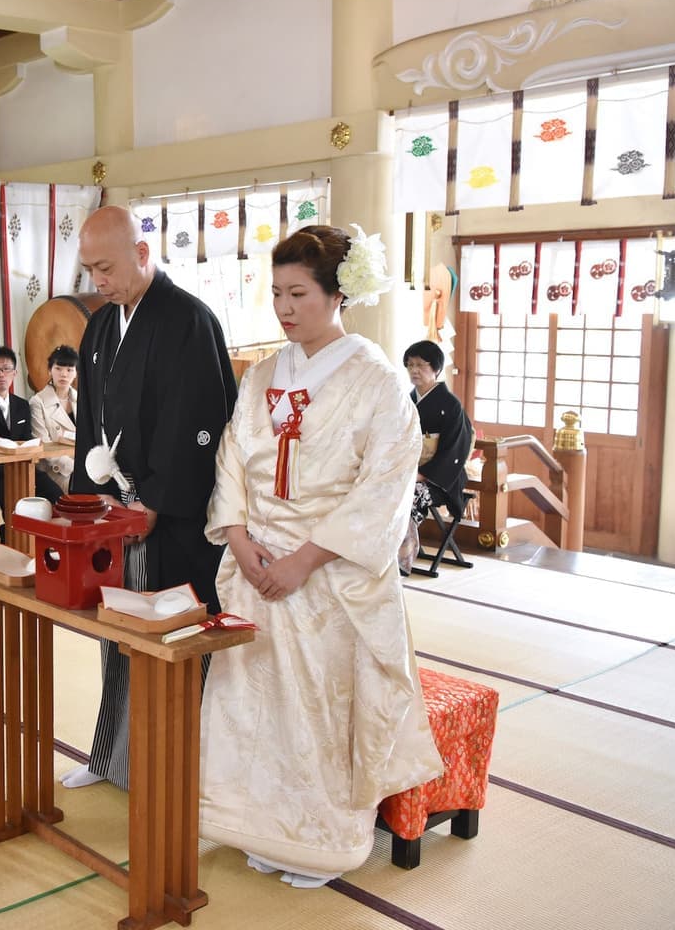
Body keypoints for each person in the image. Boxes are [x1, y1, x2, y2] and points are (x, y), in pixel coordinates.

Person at [200, 225, 443, 888]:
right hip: (257, 567)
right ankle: (257, 827)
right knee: (254, 704)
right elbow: (232, 460)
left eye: (298, 293)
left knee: (321, 713)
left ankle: (323, 843)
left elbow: (384, 486)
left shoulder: (378, 380)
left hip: (329, 575)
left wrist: (303, 561)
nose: (283, 307)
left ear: (338, 295)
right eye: (277, 292)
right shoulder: (263, 375)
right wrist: (241, 541)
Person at [60, 206, 237, 791]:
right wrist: (88, 504)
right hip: (117, 514)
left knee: (171, 639)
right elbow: (90, 424)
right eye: (89, 270)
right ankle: (111, 759)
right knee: (117, 632)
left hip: (171, 520)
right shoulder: (100, 326)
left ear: (141, 253)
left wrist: (156, 500)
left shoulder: (188, 320)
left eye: (106, 268)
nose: (98, 282)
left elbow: (198, 423)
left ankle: (175, 775)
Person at [398, 340, 473, 573]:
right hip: (409, 472)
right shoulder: (406, 402)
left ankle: (402, 556)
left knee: (408, 498)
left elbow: (455, 451)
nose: (414, 370)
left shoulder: (451, 406)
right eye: (410, 365)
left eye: (421, 365)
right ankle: (382, 552)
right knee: (381, 492)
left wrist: (423, 475)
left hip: (441, 478)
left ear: (436, 369)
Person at [0, 345, 64, 516]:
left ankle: (42, 532)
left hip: (23, 469)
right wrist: (10, 469)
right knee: (16, 504)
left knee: (56, 495)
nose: (1, 374)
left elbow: (26, 439)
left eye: (6, 369)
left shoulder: (22, 405)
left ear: (14, 373)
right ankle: (9, 531)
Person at [29, 344, 79, 493]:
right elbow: (43, 444)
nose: (64, 374)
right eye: (58, 368)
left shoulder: (82, 400)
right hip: (56, 471)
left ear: (76, 373)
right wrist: (76, 467)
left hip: (84, 466)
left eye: (69, 370)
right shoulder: (38, 402)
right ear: (49, 370)